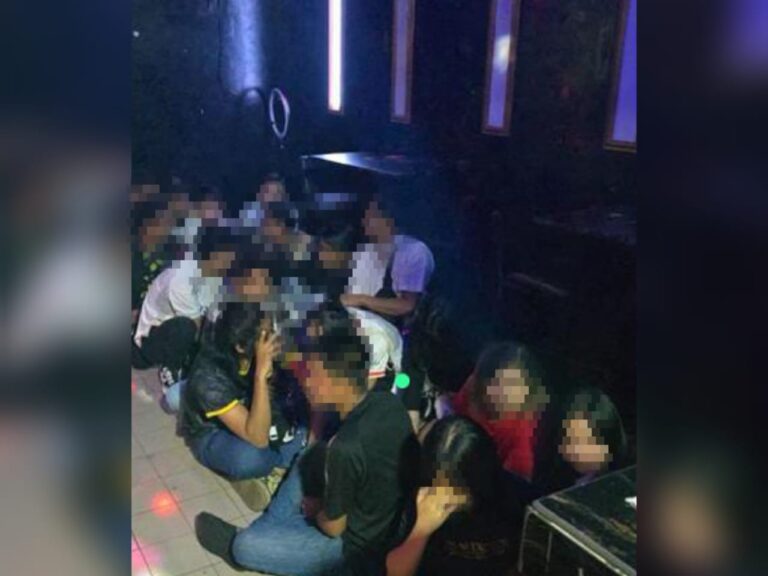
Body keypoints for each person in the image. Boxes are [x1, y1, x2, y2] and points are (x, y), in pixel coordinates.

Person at [195, 315, 419, 576]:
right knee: (308, 453)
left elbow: (333, 528)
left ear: (331, 380)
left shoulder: (344, 447)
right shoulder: (388, 403)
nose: (302, 380)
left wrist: (316, 511)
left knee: (245, 547)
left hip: (353, 548)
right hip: (379, 512)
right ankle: (274, 536)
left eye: (309, 374)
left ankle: (252, 548)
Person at [180, 302, 309, 483]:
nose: (271, 339)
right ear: (241, 346)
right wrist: (260, 376)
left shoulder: (252, 352)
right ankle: (276, 462)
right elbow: (258, 438)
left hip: (252, 410)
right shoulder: (209, 379)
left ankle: (283, 458)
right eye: (265, 335)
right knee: (251, 458)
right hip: (213, 432)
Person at [341, 196, 435, 429]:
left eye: (370, 215)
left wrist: (362, 300)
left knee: (405, 385)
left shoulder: (413, 251)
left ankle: (413, 415)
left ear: (387, 219)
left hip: (407, 336)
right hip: (368, 331)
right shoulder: (366, 252)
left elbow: (407, 305)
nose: (364, 220)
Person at [386, 416, 519, 576]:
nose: (445, 495)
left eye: (456, 485)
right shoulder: (419, 502)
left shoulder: (515, 497)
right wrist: (420, 531)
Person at [131, 226, 236, 386]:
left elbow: (214, 317)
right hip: (150, 341)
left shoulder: (218, 279)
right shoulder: (181, 278)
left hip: (180, 335)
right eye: (227, 255)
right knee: (186, 328)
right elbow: (195, 326)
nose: (231, 260)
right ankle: (170, 371)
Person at [447, 342, 550, 481]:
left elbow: (512, 485)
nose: (503, 394)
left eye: (513, 385)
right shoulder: (472, 388)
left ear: (527, 389)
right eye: (496, 383)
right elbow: (451, 415)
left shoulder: (521, 441)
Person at [533, 386, 628, 495]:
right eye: (569, 440)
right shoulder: (554, 476)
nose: (573, 451)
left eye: (584, 443)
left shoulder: (628, 481)